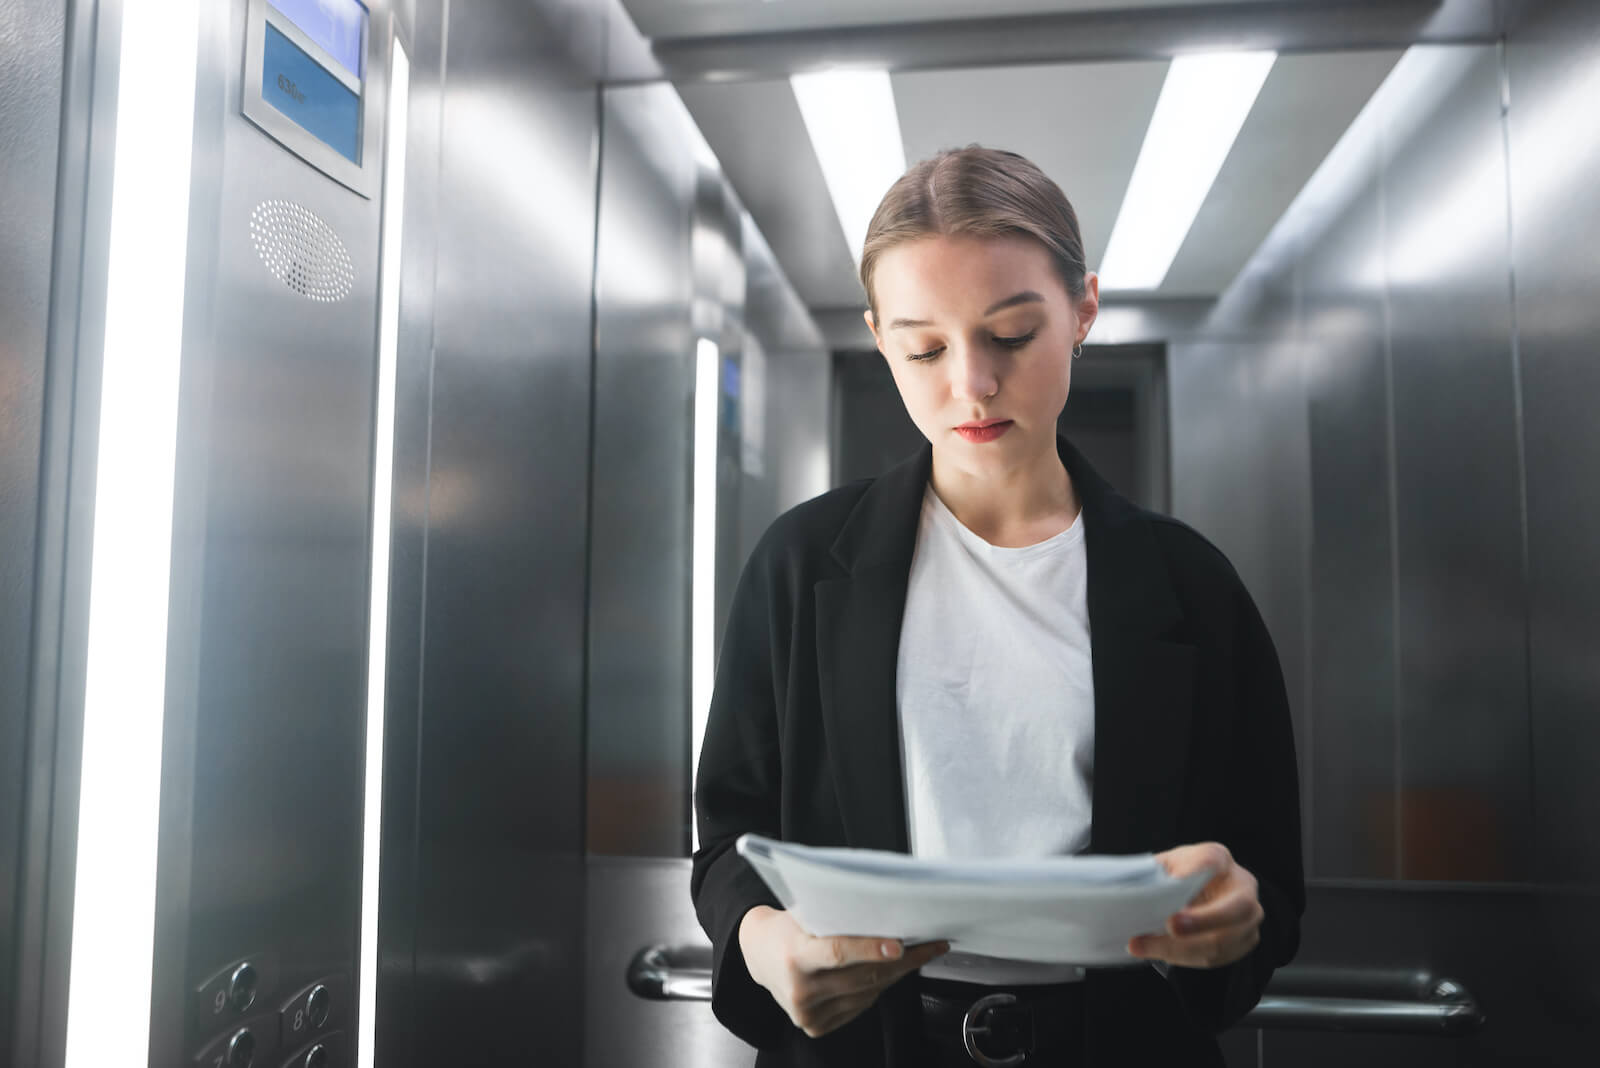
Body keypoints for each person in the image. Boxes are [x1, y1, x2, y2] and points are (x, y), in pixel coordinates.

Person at [690, 146, 1304, 1068]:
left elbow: (1267, 871)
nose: (970, 383)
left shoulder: (1192, 586)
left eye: (1011, 335)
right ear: (878, 336)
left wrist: (1233, 915)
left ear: (1083, 309)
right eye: (923, 347)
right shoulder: (802, 562)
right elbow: (729, 840)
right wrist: (762, 942)